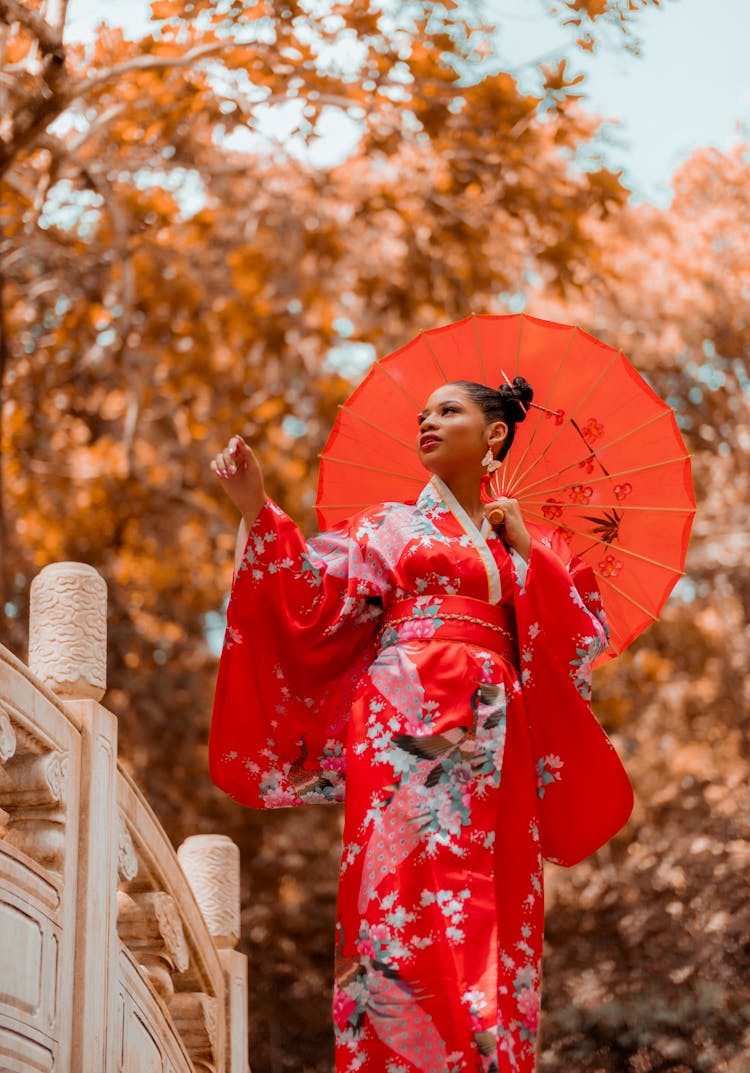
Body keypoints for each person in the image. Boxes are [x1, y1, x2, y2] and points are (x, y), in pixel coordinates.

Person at [209, 377, 632, 1073]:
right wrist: (255, 506)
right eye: (423, 414)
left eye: (448, 411)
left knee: (493, 885)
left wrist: (526, 549)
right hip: (402, 713)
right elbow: (308, 592)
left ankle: (485, 1055)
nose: (428, 422)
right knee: (397, 884)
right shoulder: (387, 526)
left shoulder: (528, 539)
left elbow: (580, 642)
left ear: (494, 433)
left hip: (498, 721)